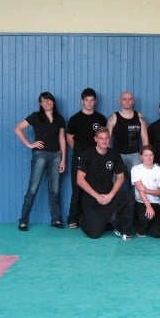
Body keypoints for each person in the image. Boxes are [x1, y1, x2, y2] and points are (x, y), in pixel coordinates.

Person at [15, 91, 67, 231]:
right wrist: (29, 144)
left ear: (53, 102)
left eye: (49, 100)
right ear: (40, 103)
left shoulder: (59, 119)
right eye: (44, 101)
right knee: (33, 189)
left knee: (55, 189)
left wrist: (63, 159)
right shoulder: (35, 116)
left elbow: (62, 139)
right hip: (40, 155)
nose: (47, 103)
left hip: (56, 155)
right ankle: (23, 220)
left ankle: (56, 219)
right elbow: (18, 128)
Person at [76, 127, 135, 240]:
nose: (104, 141)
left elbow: (121, 177)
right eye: (101, 138)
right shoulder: (87, 154)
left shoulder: (114, 154)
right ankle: (84, 220)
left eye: (107, 138)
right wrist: (97, 196)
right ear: (95, 139)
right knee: (94, 234)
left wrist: (110, 196)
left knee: (129, 197)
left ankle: (123, 230)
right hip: (91, 198)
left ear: (110, 139)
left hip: (108, 197)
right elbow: (80, 179)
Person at [66, 88, 107, 229]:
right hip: (79, 158)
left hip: (96, 159)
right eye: (86, 100)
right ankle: (73, 218)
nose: (89, 103)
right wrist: (79, 152)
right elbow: (69, 137)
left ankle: (91, 218)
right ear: (82, 101)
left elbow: (103, 137)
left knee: (95, 188)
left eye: (92, 100)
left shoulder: (101, 119)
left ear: (95, 101)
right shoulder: (74, 119)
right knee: (77, 188)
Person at [107, 91, 149, 188]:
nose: (127, 101)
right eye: (124, 99)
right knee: (114, 183)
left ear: (133, 101)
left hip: (135, 155)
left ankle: (139, 198)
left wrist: (145, 155)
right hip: (117, 154)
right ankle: (113, 198)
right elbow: (107, 139)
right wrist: (109, 155)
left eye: (130, 99)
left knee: (140, 183)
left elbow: (145, 138)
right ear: (120, 101)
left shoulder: (139, 117)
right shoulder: (113, 117)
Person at [131, 146, 160, 238]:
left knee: (158, 234)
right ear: (141, 157)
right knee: (145, 219)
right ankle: (141, 225)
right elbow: (140, 190)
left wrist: (148, 190)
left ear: (154, 156)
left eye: (151, 155)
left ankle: (150, 223)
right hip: (142, 202)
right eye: (146, 155)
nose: (149, 158)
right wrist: (148, 206)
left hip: (157, 203)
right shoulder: (136, 169)